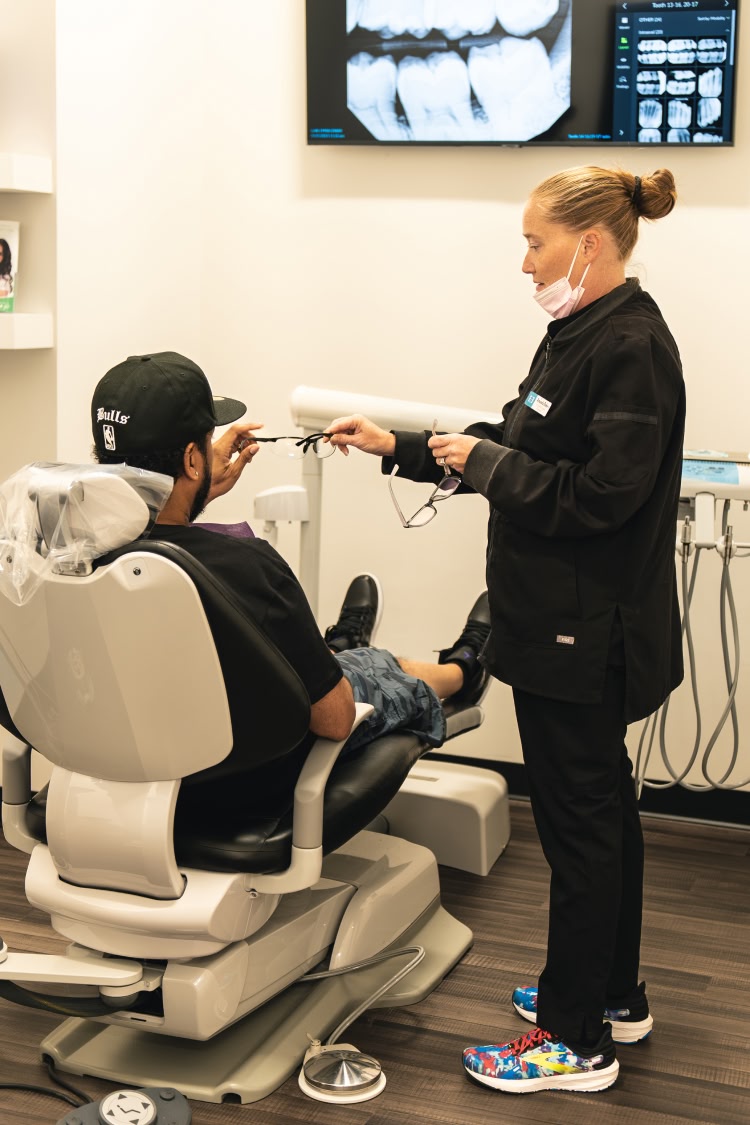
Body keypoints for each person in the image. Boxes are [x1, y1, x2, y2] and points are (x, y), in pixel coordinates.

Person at [325, 166, 685, 1096]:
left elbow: (604, 495)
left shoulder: (631, 346)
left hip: (586, 635)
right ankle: (612, 996)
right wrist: (404, 446)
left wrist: (489, 464)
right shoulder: (577, 334)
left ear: (590, 244)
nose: (525, 262)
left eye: (536, 242)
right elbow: (522, 443)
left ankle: (575, 1041)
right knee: (602, 818)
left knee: (581, 831)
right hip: (558, 626)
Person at [90, 350, 491, 771]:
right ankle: (464, 670)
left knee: (343, 662)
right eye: (207, 444)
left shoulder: (75, 555)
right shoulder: (245, 565)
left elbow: (160, 529)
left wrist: (195, 489)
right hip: (247, 783)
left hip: (131, 765)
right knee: (379, 666)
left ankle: (334, 651)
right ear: (192, 459)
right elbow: (335, 720)